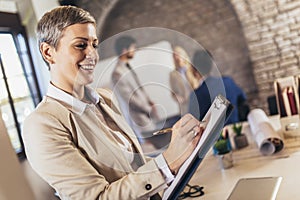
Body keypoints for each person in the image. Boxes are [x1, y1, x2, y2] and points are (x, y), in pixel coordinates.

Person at [22, 6, 204, 200]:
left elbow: (130, 169)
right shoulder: (42, 125)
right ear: (48, 52)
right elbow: (98, 197)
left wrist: (182, 151)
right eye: (81, 45)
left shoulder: (104, 98)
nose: (92, 54)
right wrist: (167, 163)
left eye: (94, 45)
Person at [111, 36, 159, 140]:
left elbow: (138, 89)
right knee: (155, 142)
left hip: (147, 113)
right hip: (140, 116)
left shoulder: (126, 67)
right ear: (125, 50)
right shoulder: (118, 73)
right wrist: (149, 109)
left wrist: (150, 102)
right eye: (133, 48)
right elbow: (130, 98)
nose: (134, 51)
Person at [189, 49, 247, 125]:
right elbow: (243, 98)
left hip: (216, 136)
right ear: (211, 65)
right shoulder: (228, 81)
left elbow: (194, 124)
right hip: (237, 130)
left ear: (194, 69)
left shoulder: (196, 95)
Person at [169, 46, 199, 116]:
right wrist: (178, 98)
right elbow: (173, 92)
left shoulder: (192, 68)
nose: (177, 57)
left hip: (197, 100)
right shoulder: (172, 74)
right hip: (185, 105)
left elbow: (200, 82)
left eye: (178, 54)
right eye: (174, 56)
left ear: (183, 54)